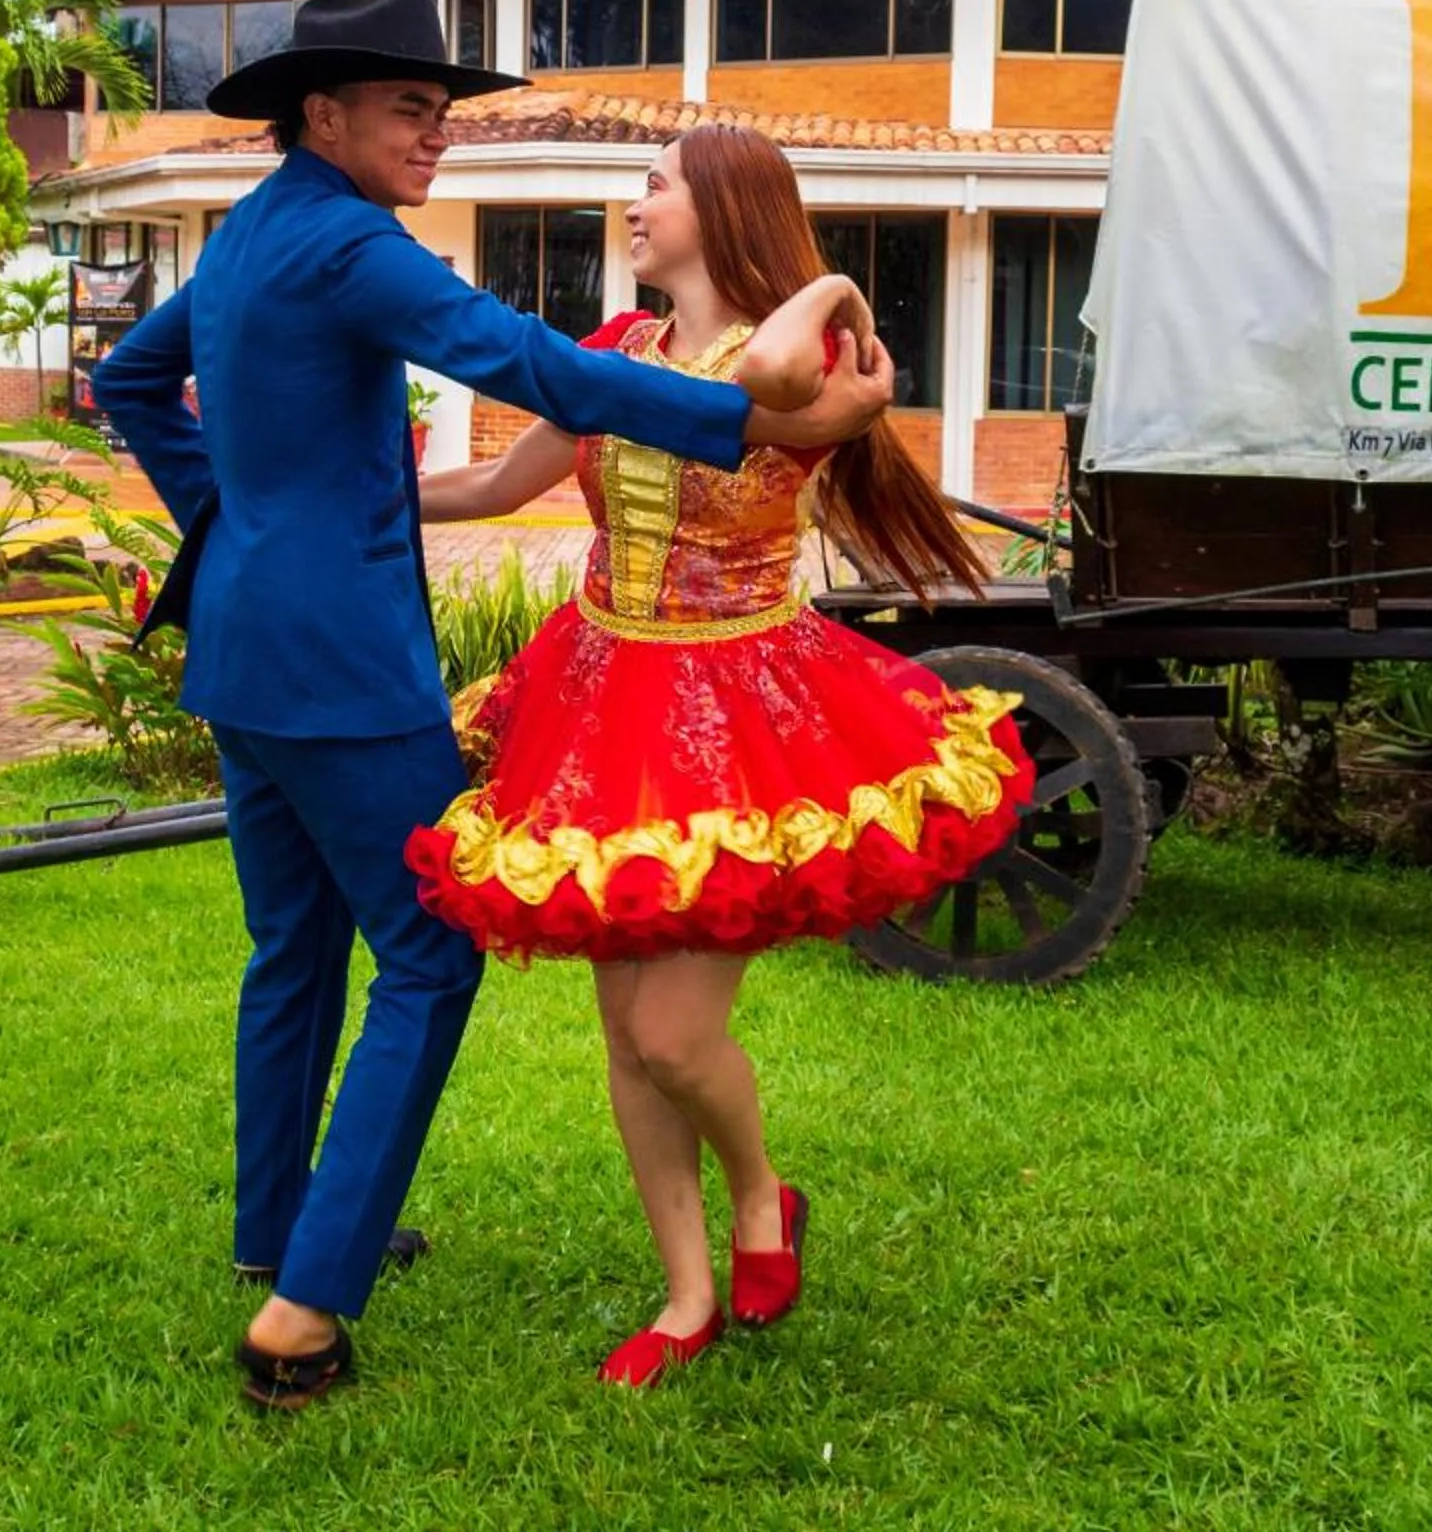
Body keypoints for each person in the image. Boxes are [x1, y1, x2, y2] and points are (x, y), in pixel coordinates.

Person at [88, 0, 898, 1413]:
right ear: (322, 113)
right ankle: (302, 1309)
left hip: (242, 650)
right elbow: (517, 361)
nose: (438, 136)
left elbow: (132, 380)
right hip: (341, 668)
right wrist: (761, 422)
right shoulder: (347, 244)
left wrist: (242, 519)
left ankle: (276, 1228)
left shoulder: (254, 232)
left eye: (443, 112)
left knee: (292, 954)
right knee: (426, 956)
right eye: (411, 110)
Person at [407, 122, 1034, 1388]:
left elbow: (775, 361)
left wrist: (844, 285)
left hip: (740, 708)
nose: (633, 206)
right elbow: (487, 491)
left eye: (657, 186)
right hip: (596, 693)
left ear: (726, 209)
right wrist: (313, 485)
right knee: (626, 1032)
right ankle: (685, 1290)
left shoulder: (804, 368)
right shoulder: (610, 354)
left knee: (678, 1033)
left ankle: (763, 1196)